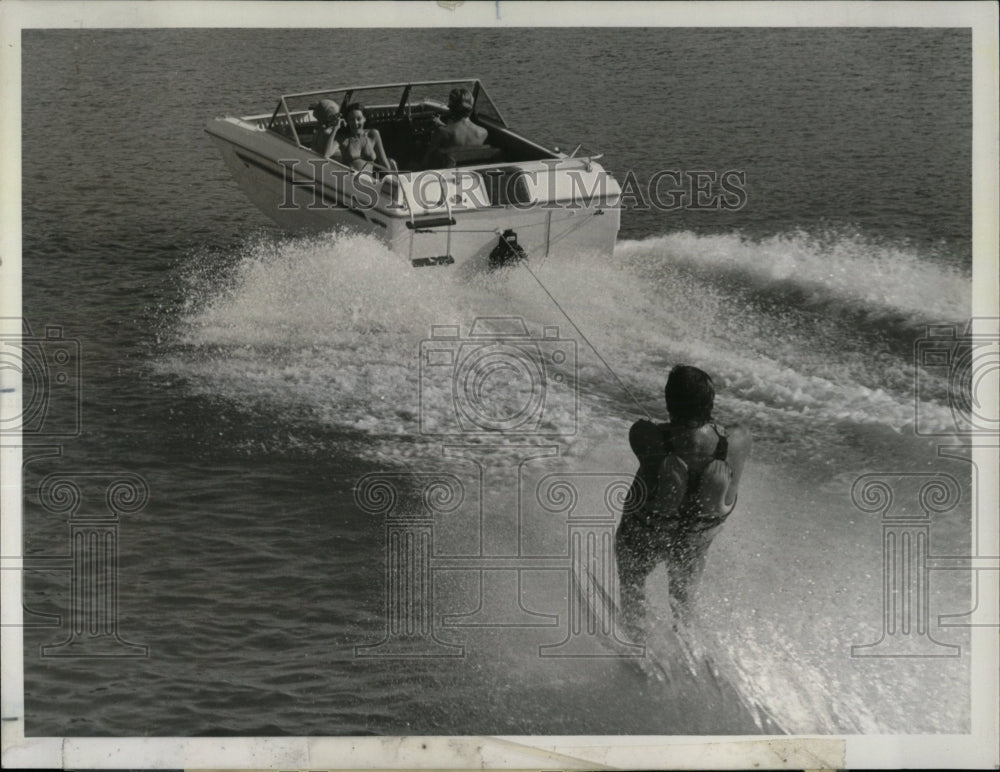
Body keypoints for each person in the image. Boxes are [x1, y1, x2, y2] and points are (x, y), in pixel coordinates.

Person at [615, 365, 751, 629]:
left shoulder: (647, 437)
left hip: (647, 529)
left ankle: (635, 637)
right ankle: (688, 644)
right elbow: (726, 430)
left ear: (669, 402)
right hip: (696, 534)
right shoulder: (737, 441)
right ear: (710, 403)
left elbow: (644, 429)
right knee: (683, 600)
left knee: (633, 584)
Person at [421, 87, 488, 167]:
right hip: (470, 172)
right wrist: (443, 126)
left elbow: (427, 161)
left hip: (446, 174)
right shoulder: (483, 132)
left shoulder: (442, 132)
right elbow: (461, 136)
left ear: (451, 108)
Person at [332, 102, 391, 172]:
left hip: (369, 180)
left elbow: (384, 163)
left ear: (364, 119)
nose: (355, 123)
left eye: (359, 119)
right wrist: (335, 128)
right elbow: (326, 155)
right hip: (349, 179)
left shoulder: (373, 134)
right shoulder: (343, 138)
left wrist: (390, 178)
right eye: (351, 119)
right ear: (347, 121)